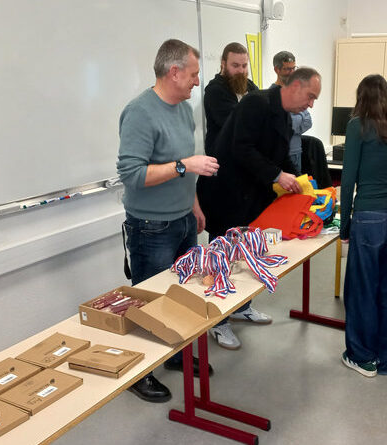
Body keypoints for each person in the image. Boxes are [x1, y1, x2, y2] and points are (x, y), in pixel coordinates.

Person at [116, 39, 219, 403]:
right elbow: (132, 175)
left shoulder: (183, 109)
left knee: (179, 297)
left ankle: (175, 355)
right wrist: (183, 166)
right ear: (174, 72)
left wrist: (194, 205)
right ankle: (139, 373)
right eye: (193, 74)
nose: (197, 81)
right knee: (150, 302)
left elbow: (184, 164)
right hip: (151, 227)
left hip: (183, 220)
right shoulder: (140, 113)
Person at [197, 67, 321, 350]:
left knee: (248, 256)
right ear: (295, 86)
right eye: (311, 96)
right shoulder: (256, 103)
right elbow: (242, 148)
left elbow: (280, 156)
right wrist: (277, 175)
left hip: (252, 199)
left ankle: (241, 307)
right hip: (227, 196)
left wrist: (298, 180)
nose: (311, 104)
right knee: (224, 261)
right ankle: (217, 322)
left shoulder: (284, 115)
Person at [339, 74, 387, 378]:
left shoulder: (358, 126)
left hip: (368, 218)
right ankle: (383, 359)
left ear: (361, 97)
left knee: (361, 290)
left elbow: (347, 181)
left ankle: (361, 357)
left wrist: (344, 226)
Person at [203, 42, 259, 156]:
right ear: (223, 63)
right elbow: (238, 124)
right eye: (235, 65)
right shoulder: (215, 90)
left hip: (246, 156)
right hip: (223, 158)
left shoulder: (250, 85)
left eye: (244, 65)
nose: (241, 71)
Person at [271, 50, 312, 174]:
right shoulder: (272, 94)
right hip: (279, 155)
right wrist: (297, 118)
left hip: (296, 151)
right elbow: (280, 127)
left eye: (294, 68)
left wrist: (293, 122)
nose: (292, 73)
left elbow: (308, 121)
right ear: (277, 70)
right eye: (287, 69)